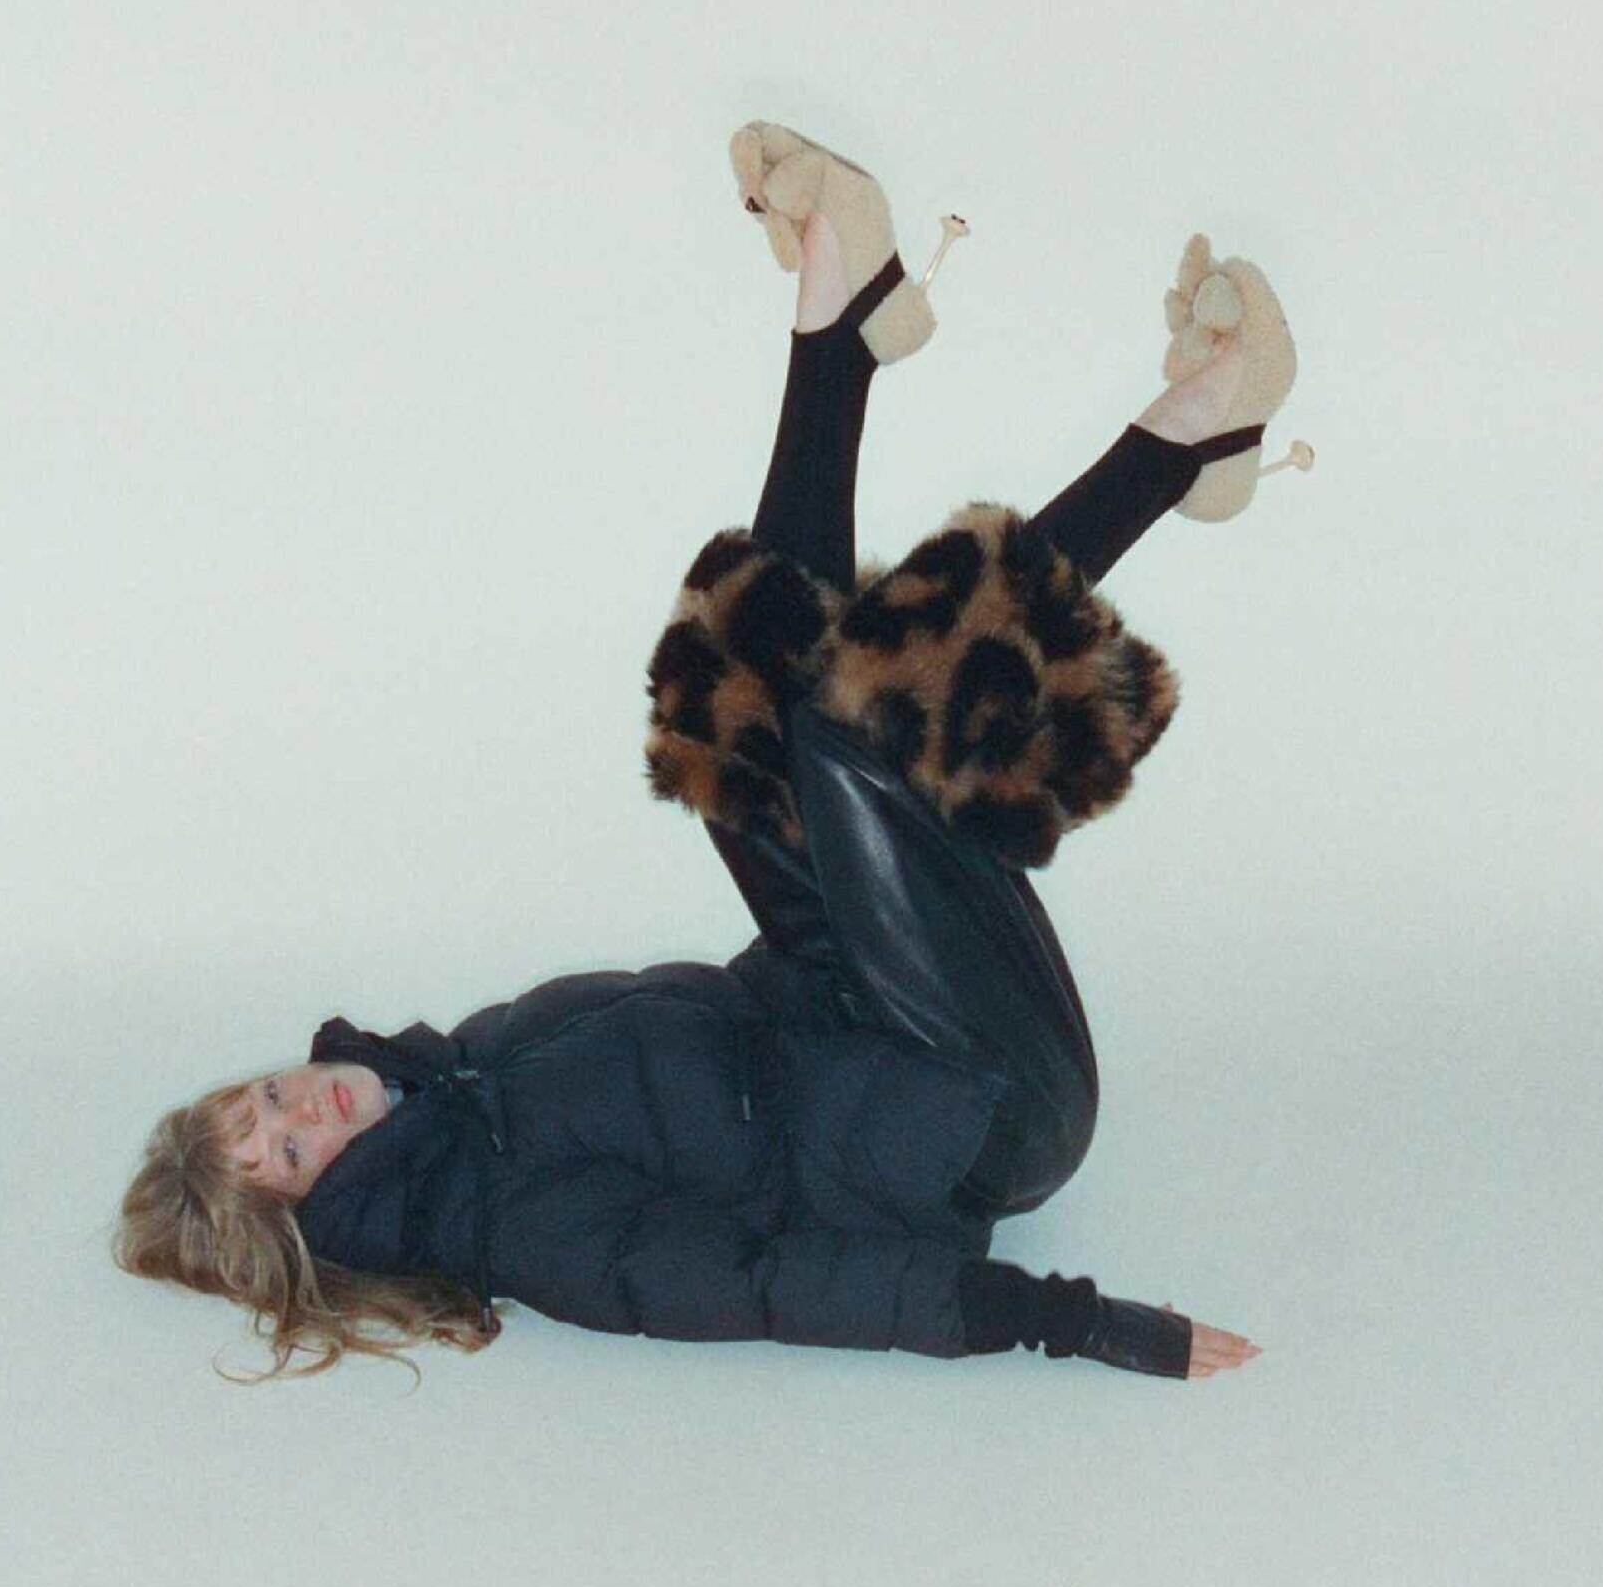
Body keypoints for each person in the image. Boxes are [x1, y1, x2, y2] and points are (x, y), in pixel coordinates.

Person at [115, 122, 1298, 1387]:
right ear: (318, 1218)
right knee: (850, 743)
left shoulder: (453, 1072)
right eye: (292, 1156)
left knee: (726, 709)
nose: (305, 1109)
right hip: (976, 1112)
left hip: (860, 1013)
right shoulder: (515, 1226)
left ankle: (847, 333)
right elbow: (767, 1287)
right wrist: (1077, 1324)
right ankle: (1181, 439)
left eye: (266, 1100)